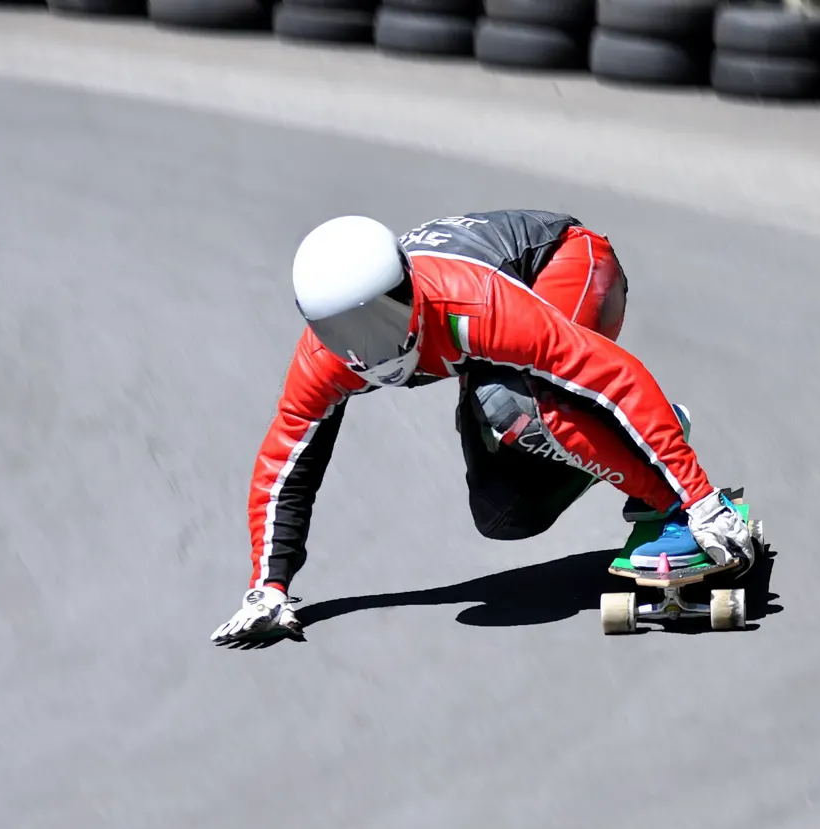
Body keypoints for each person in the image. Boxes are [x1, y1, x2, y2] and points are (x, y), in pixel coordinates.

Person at [210, 210, 755, 645]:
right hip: (492, 340)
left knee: (520, 406)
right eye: (341, 331)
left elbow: (614, 375)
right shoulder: (328, 359)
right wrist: (268, 587)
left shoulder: (470, 306)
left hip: (568, 262)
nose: (368, 348)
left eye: (380, 318)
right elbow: (286, 462)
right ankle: (628, 444)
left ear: (407, 288)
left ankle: (670, 502)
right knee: (506, 512)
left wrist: (700, 498)